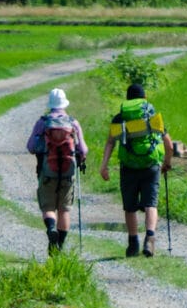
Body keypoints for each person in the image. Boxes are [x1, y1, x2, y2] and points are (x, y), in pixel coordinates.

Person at [99, 83, 173, 257]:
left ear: (127, 99)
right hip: (151, 164)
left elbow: (111, 142)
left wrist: (104, 165)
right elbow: (168, 143)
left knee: (130, 206)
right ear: (144, 98)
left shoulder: (120, 118)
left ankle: (133, 244)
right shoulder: (151, 115)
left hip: (128, 167)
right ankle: (150, 238)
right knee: (150, 203)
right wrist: (167, 163)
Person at [26, 88, 88, 255]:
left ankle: (51, 229)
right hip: (68, 173)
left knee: (48, 207)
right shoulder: (73, 123)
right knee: (64, 209)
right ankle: (59, 245)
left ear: (50, 104)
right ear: (64, 103)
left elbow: (31, 147)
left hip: (47, 172)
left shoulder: (43, 122)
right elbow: (83, 149)